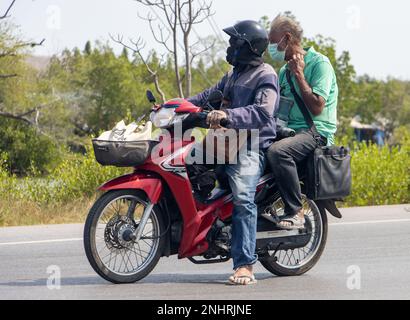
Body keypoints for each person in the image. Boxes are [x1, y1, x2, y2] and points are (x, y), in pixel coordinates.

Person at [188, 20, 279, 285]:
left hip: (250, 145)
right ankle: (206, 228)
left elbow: (264, 112)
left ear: (249, 47)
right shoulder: (233, 74)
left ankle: (245, 265)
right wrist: (174, 106)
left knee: (243, 199)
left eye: (234, 43)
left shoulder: (266, 75)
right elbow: (205, 97)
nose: (230, 47)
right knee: (187, 163)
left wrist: (227, 114)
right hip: (226, 142)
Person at [266, 14, 338, 229]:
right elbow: (279, 111)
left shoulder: (319, 64)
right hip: (289, 131)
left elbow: (317, 107)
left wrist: (299, 75)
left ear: (287, 38)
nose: (270, 48)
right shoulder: (282, 72)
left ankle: (296, 211)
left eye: (273, 43)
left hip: (315, 132)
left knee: (279, 152)